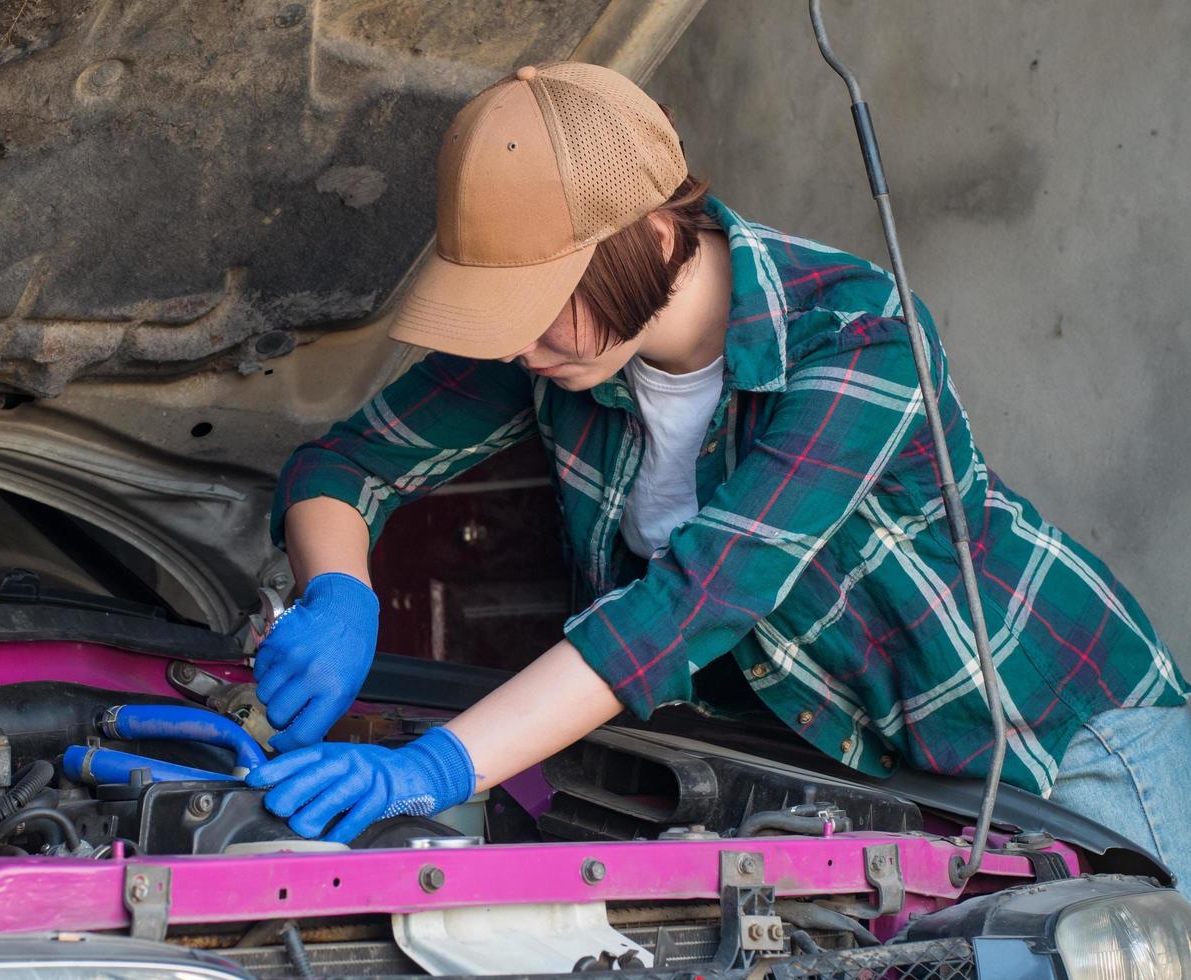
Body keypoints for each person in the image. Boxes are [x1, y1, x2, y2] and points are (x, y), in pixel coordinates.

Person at [243, 62, 1191, 885]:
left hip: (1064, 746)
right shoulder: (564, 350)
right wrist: (340, 592)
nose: (518, 346)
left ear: (654, 237)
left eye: (537, 308)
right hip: (866, 780)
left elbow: (694, 603)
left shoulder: (862, 340)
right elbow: (348, 462)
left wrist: (438, 769)